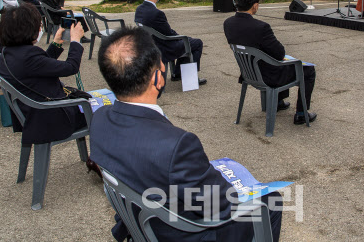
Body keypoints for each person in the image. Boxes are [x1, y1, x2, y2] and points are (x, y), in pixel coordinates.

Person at [90, 27, 283, 242]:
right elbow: (223, 205)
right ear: (157, 78)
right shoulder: (176, 145)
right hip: (180, 232)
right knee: (271, 202)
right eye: (161, 63)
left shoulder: (99, 119)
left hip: (141, 220)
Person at [0, 4, 88, 146]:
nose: (40, 29)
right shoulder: (28, 56)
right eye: (39, 26)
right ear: (29, 30)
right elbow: (71, 67)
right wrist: (76, 41)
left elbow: (41, 65)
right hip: (50, 119)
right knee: (104, 111)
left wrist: (56, 43)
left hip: (33, 114)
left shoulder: (8, 52)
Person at [224, 0, 317, 125]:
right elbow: (280, 53)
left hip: (248, 73)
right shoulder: (261, 27)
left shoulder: (228, 23)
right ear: (255, 6)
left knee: (275, 62)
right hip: (267, 76)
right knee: (308, 70)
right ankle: (301, 113)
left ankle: (278, 102)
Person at [134, 0, 206, 85]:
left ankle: (177, 73)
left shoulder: (139, 9)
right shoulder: (157, 13)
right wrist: (182, 37)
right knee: (196, 43)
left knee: (187, 42)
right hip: (163, 47)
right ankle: (190, 78)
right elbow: (168, 34)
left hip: (149, 44)